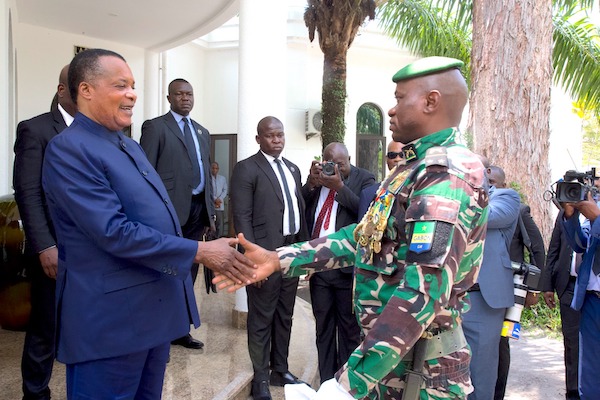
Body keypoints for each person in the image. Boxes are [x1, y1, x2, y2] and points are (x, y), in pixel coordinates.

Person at [217, 56, 489, 399]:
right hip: (390, 363)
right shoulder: (413, 169)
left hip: (420, 374)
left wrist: (347, 385)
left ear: (430, 102)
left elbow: (422, 292)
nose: (391, 110)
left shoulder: (445, 175)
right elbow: (363, 238)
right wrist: (278, 259)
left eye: (399, 98)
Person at [41, 48, 256, 399]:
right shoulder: (70, 149)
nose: (132, 95)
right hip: (111, 325)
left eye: (133, 86)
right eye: (120, 86)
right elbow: (114, 232)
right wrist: (199, 251)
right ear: (86, 90)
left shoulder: (128, 145)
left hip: (151, 317)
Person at [230, 116, 309, 400]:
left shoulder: (292, 168)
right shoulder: (247, 168)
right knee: (261, 318)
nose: (277, 140)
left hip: (290, 253)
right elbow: (242, 216)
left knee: (285, 315)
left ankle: (280, 370)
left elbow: (297, 208)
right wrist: (251, 260)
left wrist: (304, 252)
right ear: (259, 139)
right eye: (270, 135)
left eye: (280, 135)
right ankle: (260, 378)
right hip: (263, 254)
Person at [13, 64, 76, 400]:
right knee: (45, 329)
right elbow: (27, 192)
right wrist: (44, 246)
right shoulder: (35, 130)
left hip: (92, 250)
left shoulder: (103, 131)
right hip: (53, 250)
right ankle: (35, 394)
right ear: (62, 90)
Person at [140, 78, 215, 350]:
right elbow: (145, 172)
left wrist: (210, 214)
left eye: (189, 94)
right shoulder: (156, 127)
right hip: (168, 211)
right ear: (169, 98)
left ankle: (180, 330)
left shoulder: (202, 131)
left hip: (197, 209)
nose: (185, 98)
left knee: (189, 269)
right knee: (164, 268)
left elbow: (207, 172)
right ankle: (158, 328)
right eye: (180, 94)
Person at [302, 142, 375, 383]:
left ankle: (344, 384)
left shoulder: (365, 179)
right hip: (319, 268)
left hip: (346, 269)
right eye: (330, 164)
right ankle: (326, 383)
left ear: (349, 160)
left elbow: (366, 213)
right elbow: (301, 206)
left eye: (340, 165)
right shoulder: (318, 180)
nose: (335, 169)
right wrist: (311, 184)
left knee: (348, 331)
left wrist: (339, 187)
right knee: (323, 329)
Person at [487, 167, 546, 400]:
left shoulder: (519, 211)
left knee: (501, 342)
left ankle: (497, 394)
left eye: (492, 182)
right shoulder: (475, 208)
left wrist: (535, 289)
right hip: (479, 289)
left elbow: (537, 249)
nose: (488, 186)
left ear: (503, 185)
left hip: (510, 289)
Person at [462, 165, 520, 400]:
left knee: (480, 373)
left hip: (481, 299)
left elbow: (486, 216)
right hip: (446, 295)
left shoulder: (506, 197)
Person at [559, 182, 600, 400]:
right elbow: (580, 245)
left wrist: (597, 219)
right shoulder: (595, 205)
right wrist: (570, 215)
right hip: (592, 301)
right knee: (590, 376)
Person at [540, 214, 581, 400]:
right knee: (572, 345)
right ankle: (572, 393)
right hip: (570, 286)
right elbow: (554, 249)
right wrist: (548, 285)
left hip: (594, 288)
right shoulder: (568, 211)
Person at [358, 140, 404, 218]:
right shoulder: (368, 194)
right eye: (392, 155)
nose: (397, 159)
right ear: (386, 159)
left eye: (402, 155)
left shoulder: (419, 190)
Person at [211, 161, 228, 238]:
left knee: (219, 223)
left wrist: (220, 199)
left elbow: (225, 190)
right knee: (211, 222)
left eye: (216, 168)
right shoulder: (208, 178)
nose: (215, 170)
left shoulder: (222, 178)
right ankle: (210, 238)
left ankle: (218, 237)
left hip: (220, 204)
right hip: (211, 203)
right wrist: (215, 199)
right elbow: (208, 191)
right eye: (213, 168)